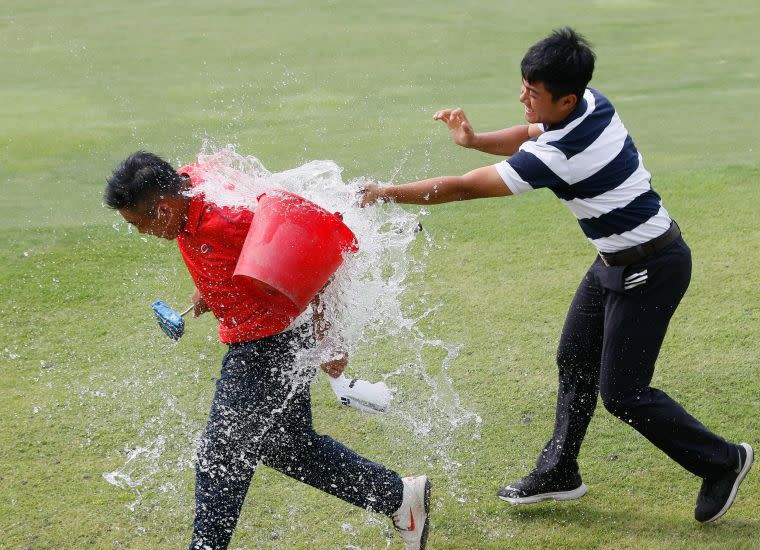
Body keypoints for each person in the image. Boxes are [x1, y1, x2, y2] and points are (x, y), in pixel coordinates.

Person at [360, 28, 753, 523]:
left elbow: (464, 190)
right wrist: (476, 139)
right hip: (617, 259)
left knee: (623, 393)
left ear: (564, 98)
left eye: (533, 93)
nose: (522, 97)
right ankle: (560, 470)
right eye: (523, 84)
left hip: (651, 268)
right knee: (574, 360)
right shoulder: (590, 103)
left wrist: (382, 193)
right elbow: (531, 133)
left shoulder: (564, 151)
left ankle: (723, 461)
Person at [103, 151, 431, 550]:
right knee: (285, 446)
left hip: (270, 342)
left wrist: (330, 334)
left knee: (220, 452)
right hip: (255, 334)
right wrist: (212, 285)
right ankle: (398, 496)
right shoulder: (189, 184)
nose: (140, 233)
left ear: (163, 207)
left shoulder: (227, 219)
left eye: (139, 224)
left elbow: (325, 247)